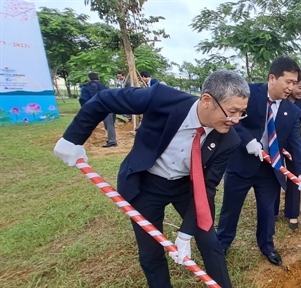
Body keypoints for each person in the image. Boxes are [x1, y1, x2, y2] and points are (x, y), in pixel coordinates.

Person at [53, 70, 250, 288]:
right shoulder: (161, 98)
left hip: (188, 187)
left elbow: (207, 187)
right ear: (206, 101)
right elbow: (104, 99)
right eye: (232, 111)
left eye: (242, 112)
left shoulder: (229, 140)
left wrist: (185, 234)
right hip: (145, 183)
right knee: (150, 253)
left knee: (210, 242)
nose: (236, 120)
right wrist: (72, 139)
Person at [217, 56, 301, 267]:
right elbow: (233, 120)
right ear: (272, 78)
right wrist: (248, 140)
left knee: (268, 211)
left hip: (270, 168)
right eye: (287, 82)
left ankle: (267, 246)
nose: (291, 88)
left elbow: (296, 144)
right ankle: (222, 244)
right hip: (241, 163)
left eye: (294, 83)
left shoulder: (293, 110)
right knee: (231, 208)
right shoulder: (248, 94)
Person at [274, 69, 301, 230]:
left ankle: (292, 213)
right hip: (275, 142)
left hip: (294, 144)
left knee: (295, 177)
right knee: (274, 175)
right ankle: (273, 211)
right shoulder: (279, 99)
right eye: (299, 87)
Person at [79, 72, 117, 148]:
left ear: (89, 79)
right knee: (110, 124)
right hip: (110, 106)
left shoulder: (86, 87)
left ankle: (112, 141)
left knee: (105, 124)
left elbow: (83, 99)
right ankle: (112, 139)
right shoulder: (104, 86)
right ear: (98, 78)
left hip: (98, 107)